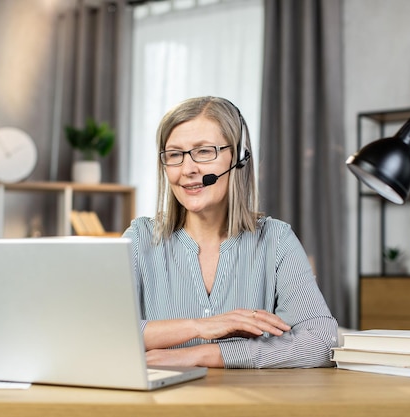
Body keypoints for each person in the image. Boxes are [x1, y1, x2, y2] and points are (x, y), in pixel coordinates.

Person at [123, 96, 338, 368]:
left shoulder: (276, 241)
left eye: (204, 151)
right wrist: (200, 327)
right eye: (175, 155)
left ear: (237, 158)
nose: (188, 169)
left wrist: (208, 354)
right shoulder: (140, 238)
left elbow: (322, 341)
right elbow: (100, 332)